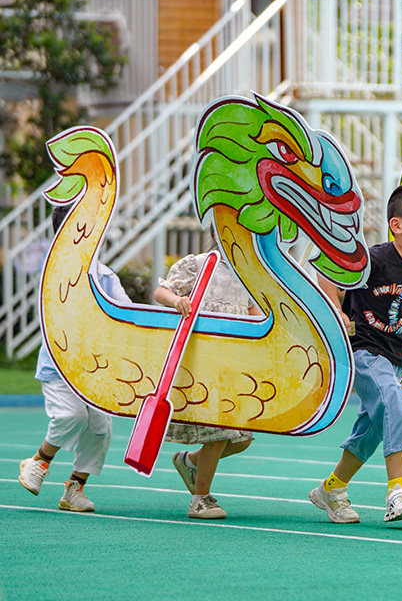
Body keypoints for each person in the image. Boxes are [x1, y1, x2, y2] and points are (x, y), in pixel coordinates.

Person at [310, 183, 402, 523]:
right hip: (364, 350)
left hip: (396, 355)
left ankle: (332, 488)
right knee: (397, 406)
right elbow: (328, 271)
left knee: (371, 430)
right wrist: (336, 309)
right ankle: (396, 492)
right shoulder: (373, 259)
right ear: (397, 225)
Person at [18, 205, 132, 512]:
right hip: (59, 364)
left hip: (96, 368)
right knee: (72, 416)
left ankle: (74, 489)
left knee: (100, 427)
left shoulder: (105, 276)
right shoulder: (53, 272)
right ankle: (40, 461)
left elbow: (126, 314)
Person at [156, 242, 260, 520]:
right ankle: (200, 499)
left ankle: (189, 463)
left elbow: (251, 312)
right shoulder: (200, 263)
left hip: (232, 362)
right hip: (203, 357)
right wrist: (177, 301)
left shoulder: (248, 272)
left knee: (241, 440)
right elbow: (161, 291)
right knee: (218, 433)